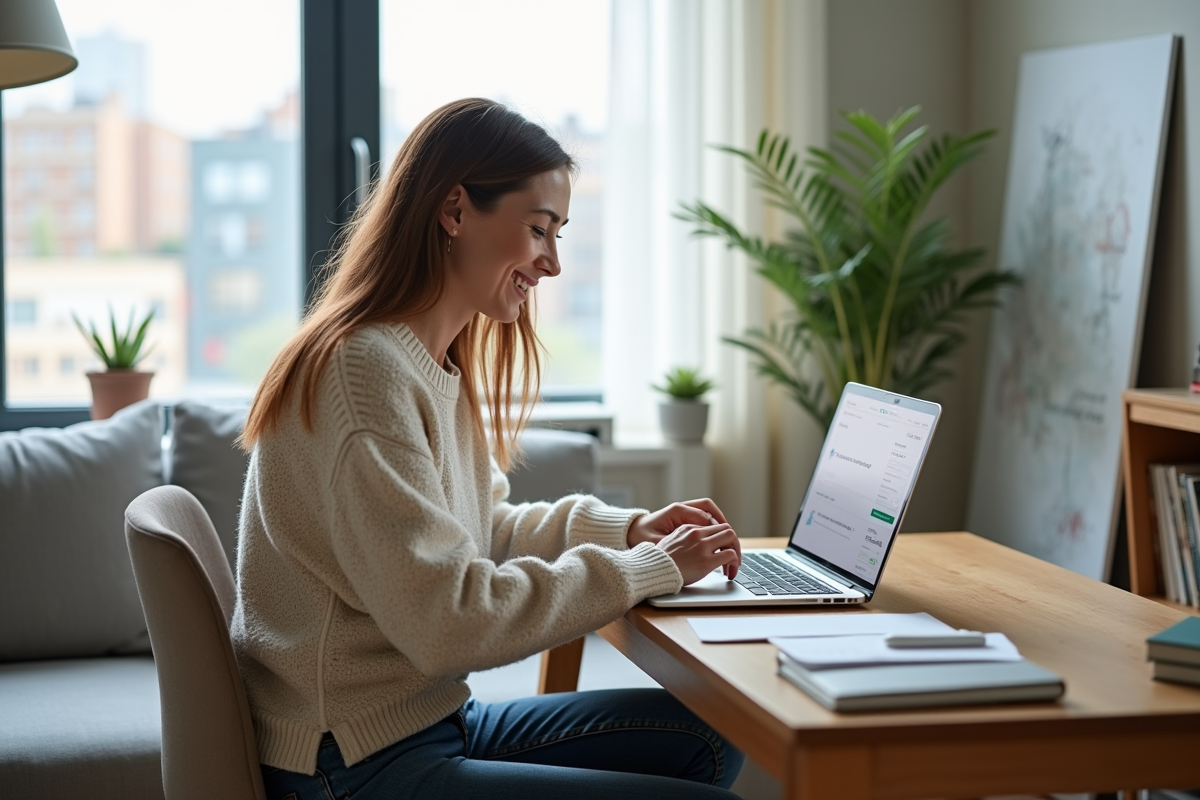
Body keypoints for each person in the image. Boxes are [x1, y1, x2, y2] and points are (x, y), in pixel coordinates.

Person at [231, 97, 747, 799]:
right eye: (539, 229)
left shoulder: (429, 359)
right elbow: (449, 623)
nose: (553, 263)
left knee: (706, 736)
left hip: (424, 724)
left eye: (559, 233)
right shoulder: (362, 373)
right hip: (352, 759)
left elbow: (485, 531)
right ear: (454, 211)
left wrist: (627, 531)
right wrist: (644, 569)